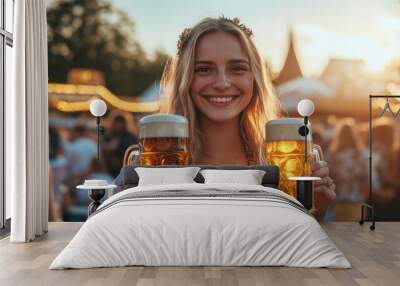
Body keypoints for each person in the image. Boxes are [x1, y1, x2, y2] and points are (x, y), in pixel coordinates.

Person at [161, 16, 335, 221]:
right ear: (185, 79)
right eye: (204, 69)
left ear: (254, 78)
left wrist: (316, 211)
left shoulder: (282, 164)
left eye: (237, 68)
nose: (222, 83)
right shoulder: (155, 163)